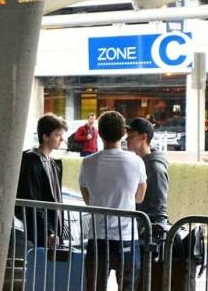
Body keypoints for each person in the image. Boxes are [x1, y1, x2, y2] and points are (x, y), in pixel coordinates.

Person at [79, 111, 147, 291]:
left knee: (95, 286)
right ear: (124, 133)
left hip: (98, 236)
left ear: (99, 133)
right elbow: (140, 197)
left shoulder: (87, 162)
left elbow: (88, 199)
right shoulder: (136, 161)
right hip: (126, 237)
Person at [16, 113, 67, 248]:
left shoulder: (52, 163)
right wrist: (47, 232)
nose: (61, 139)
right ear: (45, 136)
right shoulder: (31, 160)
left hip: (49, 233)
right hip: (38, 235)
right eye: (57, 134)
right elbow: (32, 199)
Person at [126, 117, 168, 223]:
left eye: (131, 136)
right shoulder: (139, 162)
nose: (127, 139)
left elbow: (159, 208)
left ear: (143, 137)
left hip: (146, 230)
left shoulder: (155, 168)